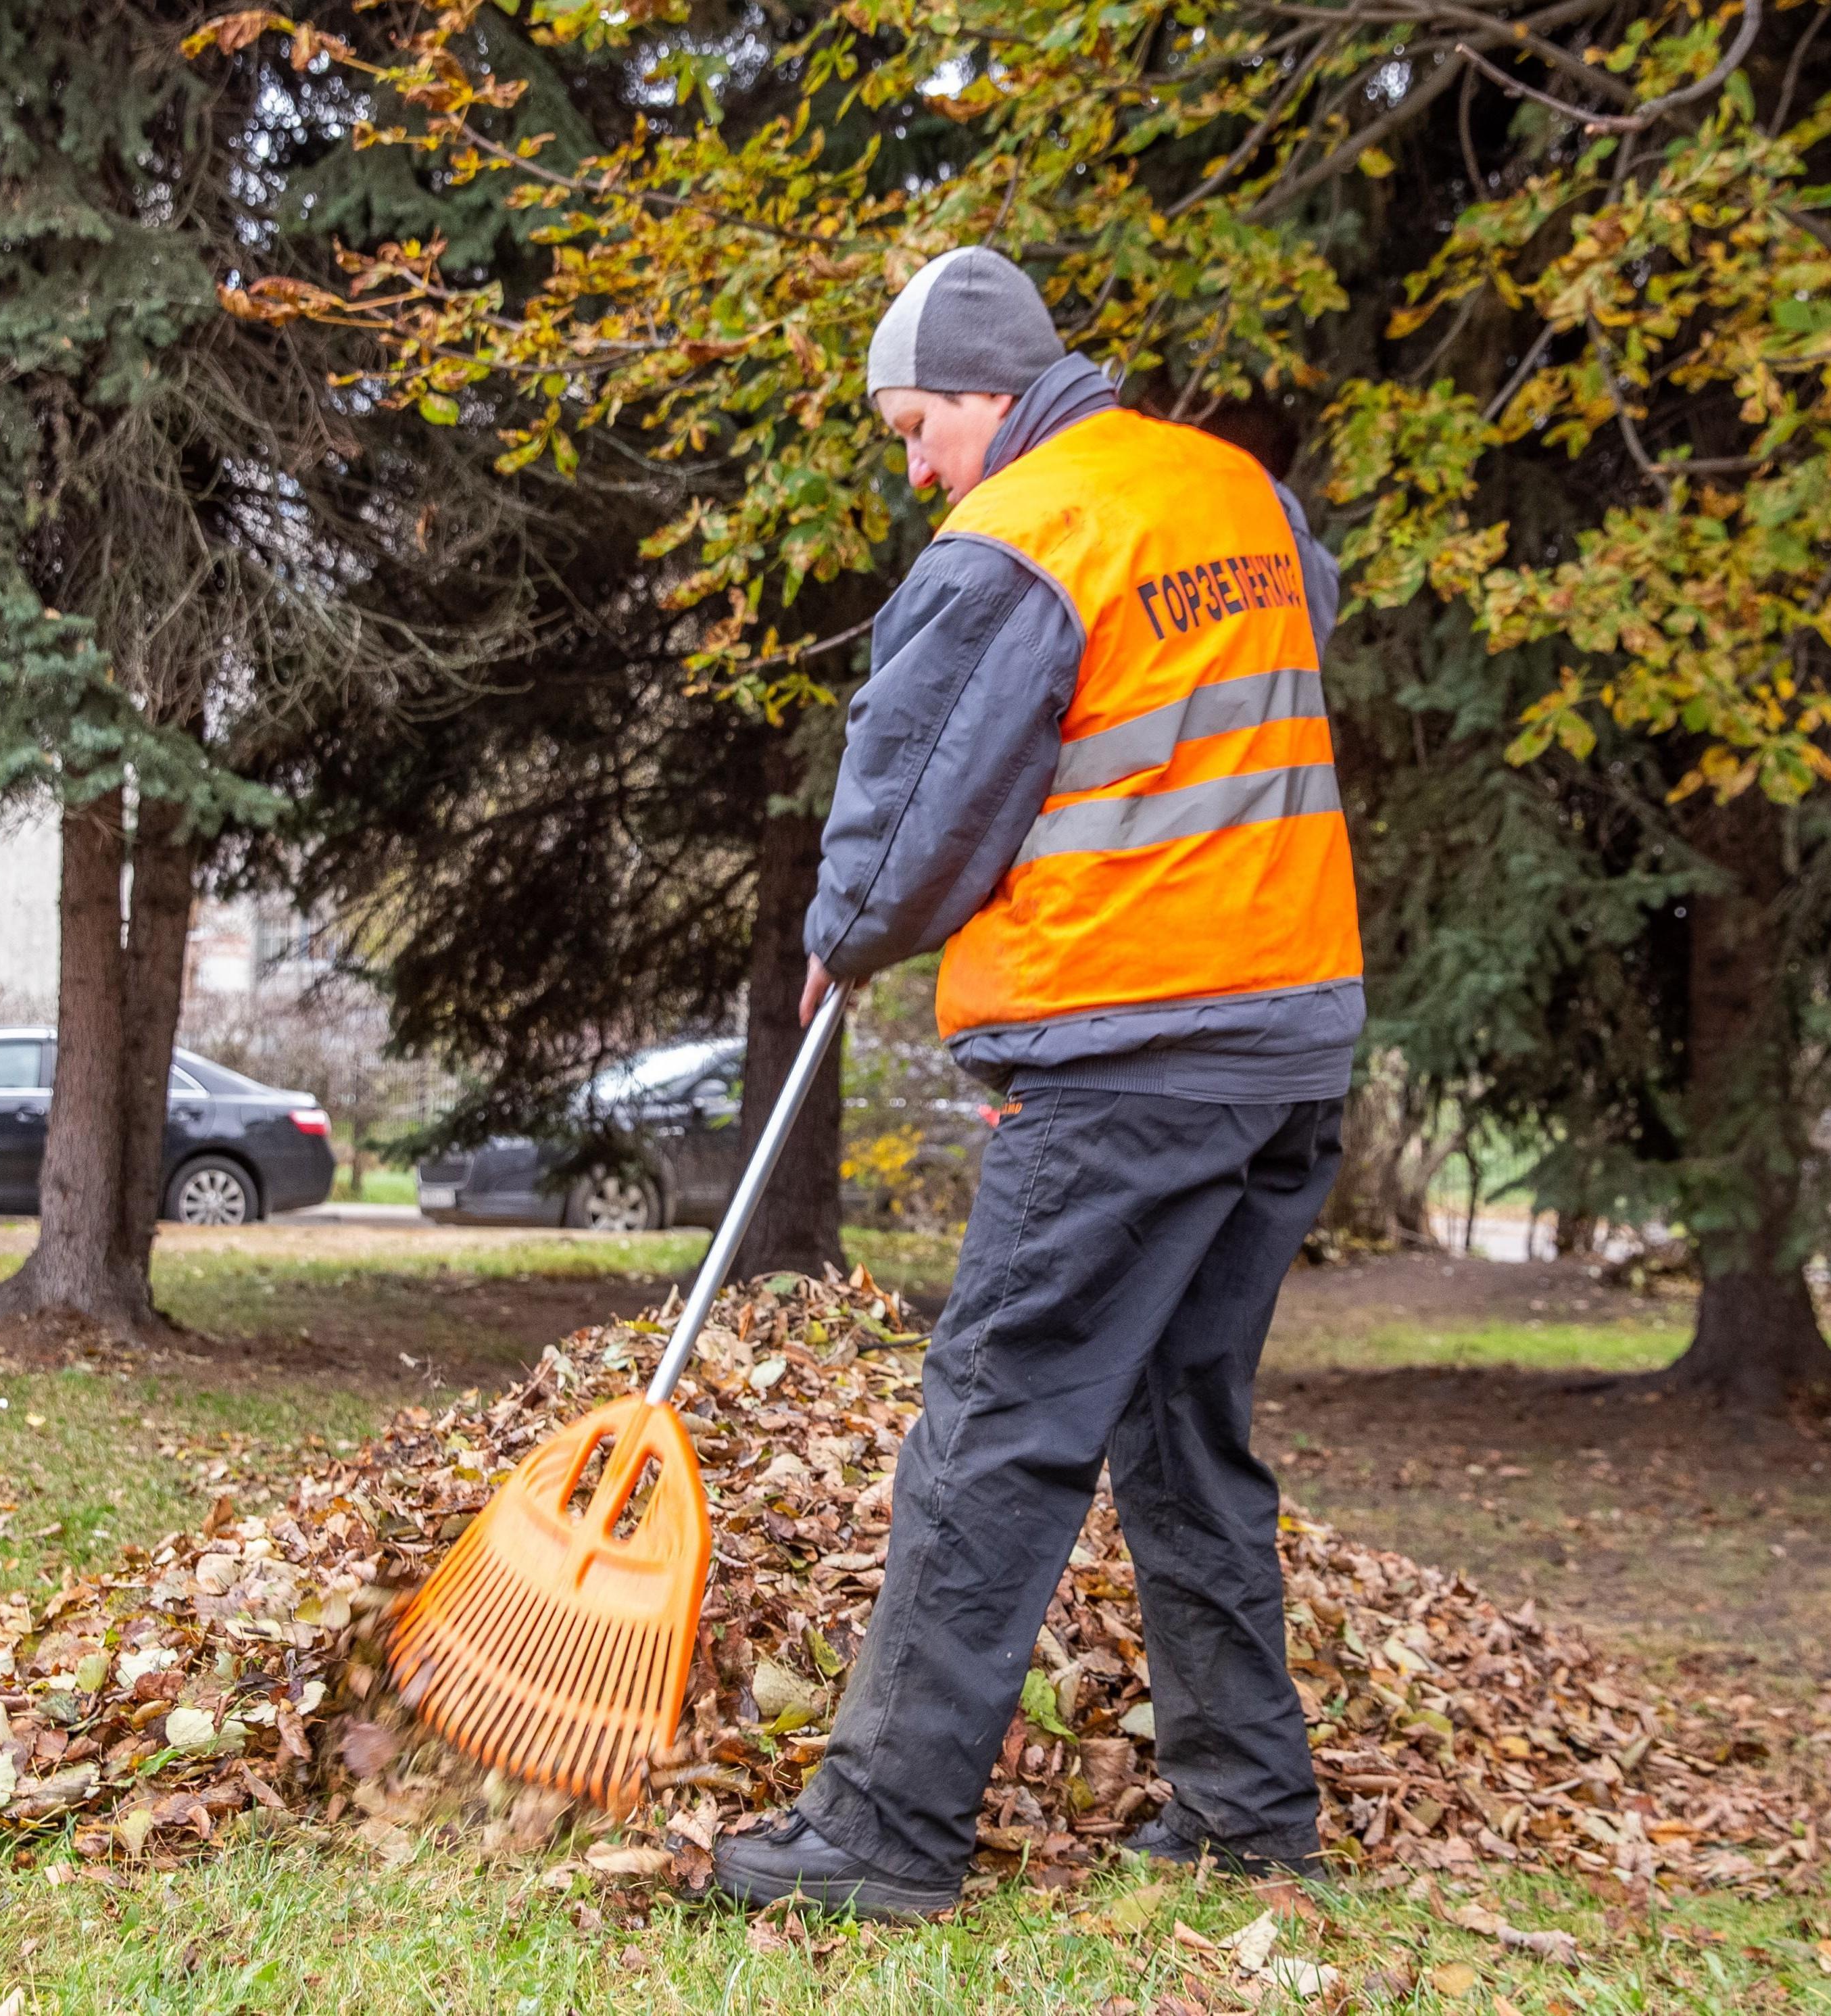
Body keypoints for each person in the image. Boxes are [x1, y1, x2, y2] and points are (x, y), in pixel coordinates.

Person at [710, 247, 1364, 1918]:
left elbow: (926, 781)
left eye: (914, 429)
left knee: (997, 1423)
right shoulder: (1235, 494)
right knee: (1178, 1423)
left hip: (1129, 1049)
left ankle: (882, 1830)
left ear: (986, 397)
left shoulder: (1022, 533)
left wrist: (847, 930)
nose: (915, 470)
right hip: (1286, 1042)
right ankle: (1247, 1805)